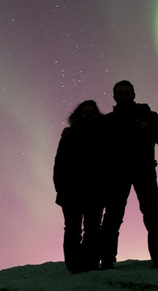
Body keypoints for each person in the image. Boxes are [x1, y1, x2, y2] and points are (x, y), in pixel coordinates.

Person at [100, 80, 158, 269]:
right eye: (120, 93)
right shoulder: (107, 120)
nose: (123, 96)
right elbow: (92, 141)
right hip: (117, 175)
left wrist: (148, 128)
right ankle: (107, 260)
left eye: (127, 92)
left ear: (133, 94)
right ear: (114, 97)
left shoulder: (149, 116)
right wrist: (70, 131)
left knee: (152, 213)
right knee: (112, 217)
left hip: (144, 171)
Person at [53, 100, 105, 273]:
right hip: (71, 191)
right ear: (79, 115)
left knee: (92, 230)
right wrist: (60, 188)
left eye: (91, 111)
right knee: (73, 230)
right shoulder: (69, 135)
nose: (88, 114)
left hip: (95, 191)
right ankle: (74, 266)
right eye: (85, 111)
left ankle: (90, 264)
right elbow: (59, 163)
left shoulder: (104, 133)